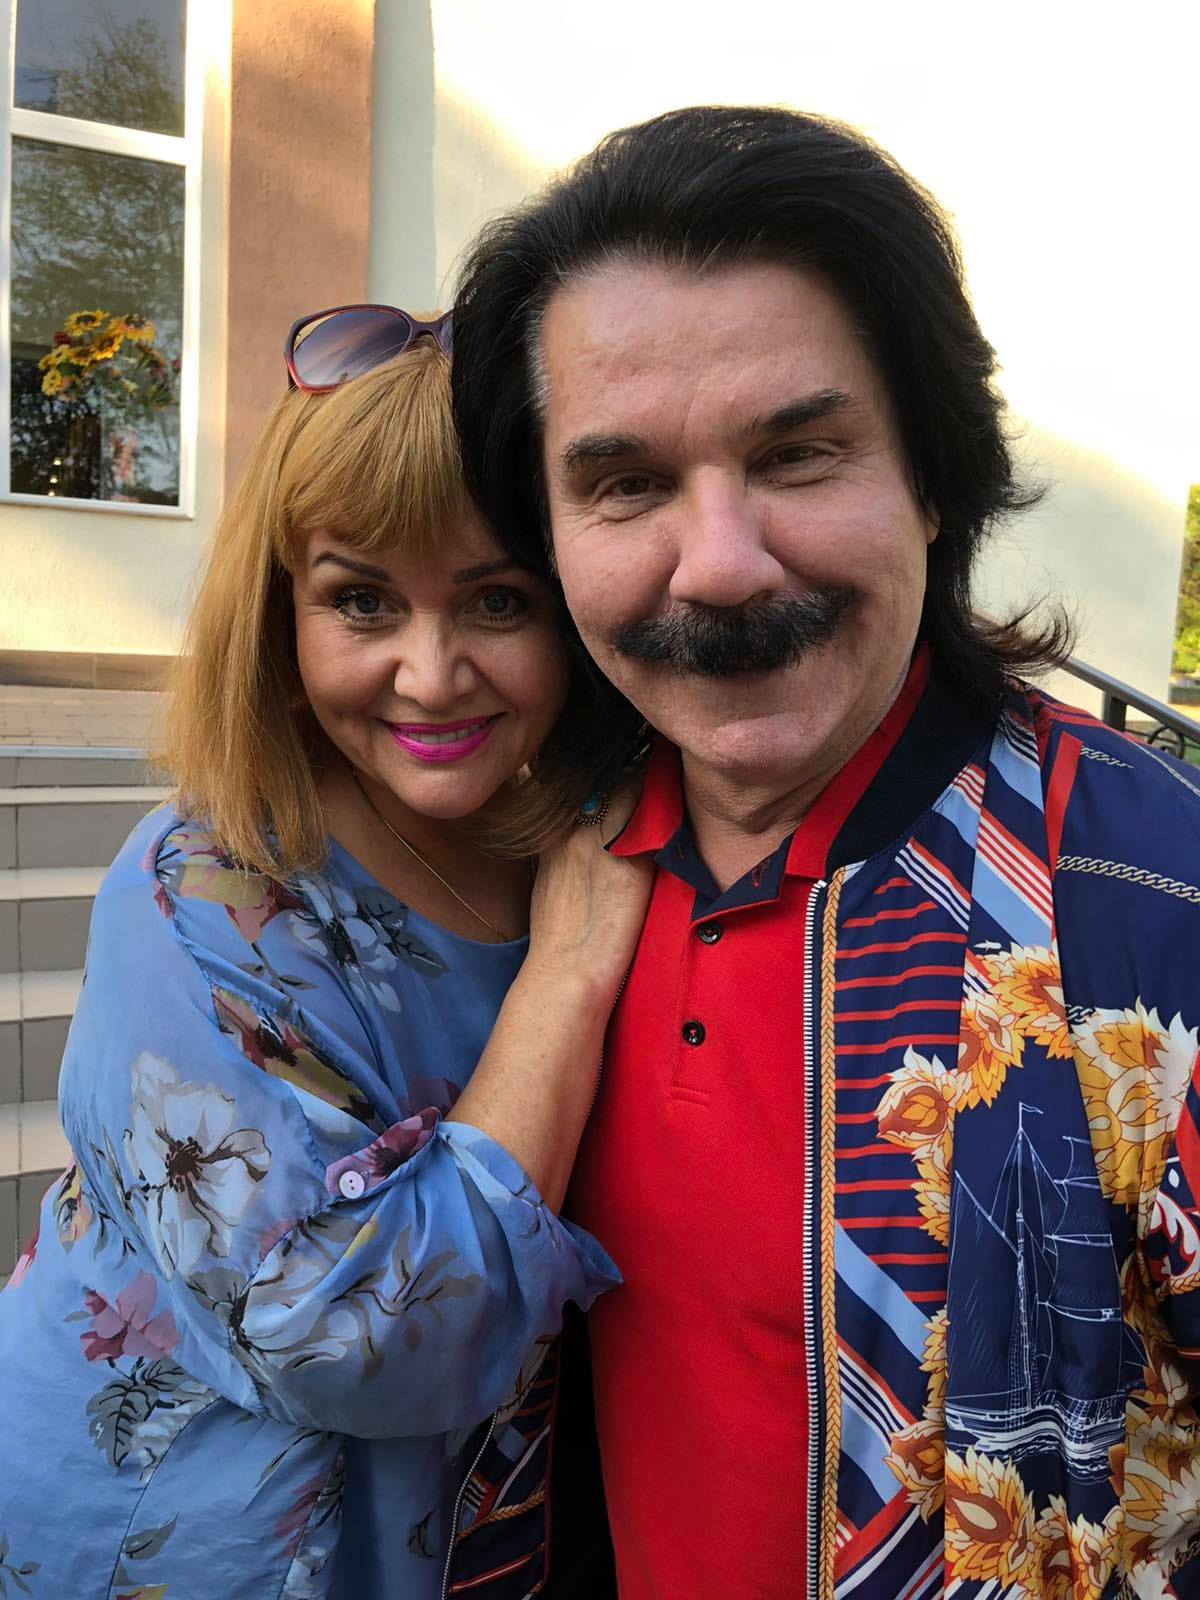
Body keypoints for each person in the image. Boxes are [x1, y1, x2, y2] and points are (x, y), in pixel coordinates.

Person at [450, 108, 1200, 1599]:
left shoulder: (1150, 888)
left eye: (798, 455)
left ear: (934, 476)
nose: (719, 563)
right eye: (624, 486)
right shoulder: (502, 866)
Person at [0, 307, 649, 1599]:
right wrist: (567, 981)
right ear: (282, 620)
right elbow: (343, 1337)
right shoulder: (201, 890)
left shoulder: (574, 847)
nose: (431, 674)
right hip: (168, 1545)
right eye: (362, 600)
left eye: (499, 599)